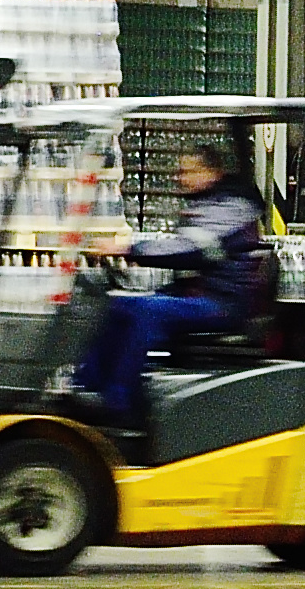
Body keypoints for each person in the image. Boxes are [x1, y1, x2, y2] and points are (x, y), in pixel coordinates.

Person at [67, 142, 270, 422]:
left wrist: (129, 250)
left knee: (147, 311)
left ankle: (117, 402)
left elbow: (189, 250)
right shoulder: (209, 203)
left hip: (223, 304)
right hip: (198, 295)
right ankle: (85, 386)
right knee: (116, 306)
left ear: (212, 172)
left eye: (189, 172)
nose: (180, 178)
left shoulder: (232, 207)